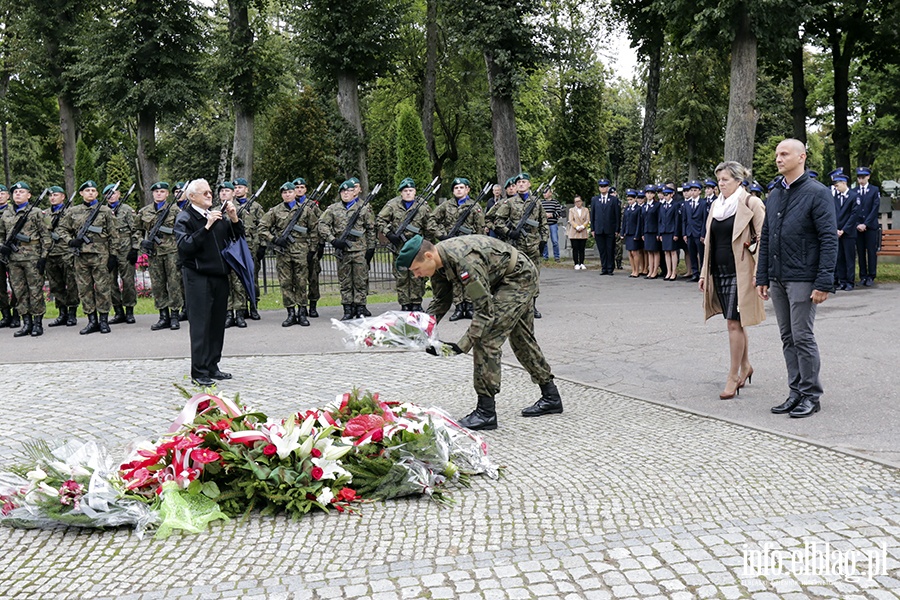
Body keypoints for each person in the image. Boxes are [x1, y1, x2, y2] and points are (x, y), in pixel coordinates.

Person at [397, 234, 562, 430]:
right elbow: (441, 300)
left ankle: (486, 413)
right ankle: (551, 396)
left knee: (486, 340)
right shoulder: (440, 263)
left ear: (428, 256)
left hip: (518, 278)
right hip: (503, 279)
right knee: (522, 339)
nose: (416, 275)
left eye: (416, 269)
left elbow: (484, 313)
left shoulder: (465, 261)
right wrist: (422, 329)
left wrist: (461, 346)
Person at [756, 139, 837, 418]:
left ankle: (811, 395)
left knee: (802, 336)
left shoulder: (818, 192)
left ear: (801, 157)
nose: (778, 159)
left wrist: (824, 281)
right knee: (787, 336)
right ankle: (795, 391)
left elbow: (829, 239)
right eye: (777, 154)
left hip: (803, 277)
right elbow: (766, 236)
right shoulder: (776, 193)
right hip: (778, 276)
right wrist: (762, 276)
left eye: (784, 154)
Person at [699, 161, 766, 399]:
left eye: (725, 179)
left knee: (733, 323)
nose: (721, 184)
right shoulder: (717, 206)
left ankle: (733, 375)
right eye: (719, 180)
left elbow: (763, 240)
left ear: (739, 180)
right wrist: (703, 273)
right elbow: (709, 242)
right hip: (719, 270)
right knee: (736, 321)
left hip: (743, 272)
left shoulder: (751, 203)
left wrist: (761, 273)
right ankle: (746, 365)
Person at [175, 179, 244, 387]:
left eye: (210, 192)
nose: (209, 195)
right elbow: (185, 247)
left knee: (216, 323)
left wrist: (233, 219)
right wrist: (206, 227)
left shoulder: (217, 216)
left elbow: (237, 238)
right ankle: (199, 370)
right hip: (198, 276)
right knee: (200, 324)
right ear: (192, 197)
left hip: (219, 275)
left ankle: (213, 365)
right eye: (204, 193)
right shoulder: (185, 217)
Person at [60, 180, 120, 335]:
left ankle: (104, 320)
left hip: (100, 255)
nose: (91, 193)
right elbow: (61, 229)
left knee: (102, 288)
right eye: (87, 190)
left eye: (93, 190)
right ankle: (92, 321)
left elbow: (114, 235)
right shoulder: (73, 211)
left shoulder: (105, 211)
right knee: (84, 289)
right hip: (81, 256)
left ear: (97, 193)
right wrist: (70, 241)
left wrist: (113, 255)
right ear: (81, 193)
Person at [260, 182, 318, 327]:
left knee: (301, 282)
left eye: (290, 192)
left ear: (294, 194)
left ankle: (302, 312)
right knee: (286, 283)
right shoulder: (275, 211)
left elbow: (315, 229)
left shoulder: (305, 210)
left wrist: (312, 249)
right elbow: (262, 227)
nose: (287, 194)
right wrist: (274, 239)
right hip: (283, 252)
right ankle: (291, 313)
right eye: (284, 193)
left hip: (301, 251)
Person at [490, 173, 548, 318]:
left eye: (524, 182)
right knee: (516, 276)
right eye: (519, 182)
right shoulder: (509, 203)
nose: (521, 184)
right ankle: (517, 307)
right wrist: (509, 233)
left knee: (534, 275)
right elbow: (498, 221)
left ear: (529, 184)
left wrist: (543, 241)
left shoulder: (536, 202)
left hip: (533, 245)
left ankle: (532, 306)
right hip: (516, 246)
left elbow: (543, 223)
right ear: (515, 186)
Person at [317, 178, 376, 320]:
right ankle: (347, 309)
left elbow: (371, 229)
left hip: (359, 250)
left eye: (348, 191)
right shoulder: (333, 209)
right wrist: (333, 240)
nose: (345, 193)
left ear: (354, 192)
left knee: (360, 281)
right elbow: (322, 225)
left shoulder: (364, 208)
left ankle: (360, 308)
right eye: (342, 191)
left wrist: (371, 248)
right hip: (342, 251)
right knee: (345, 282)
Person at [377, 177, 436, 311]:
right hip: (400, 248)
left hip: (417, 249)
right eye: (405, 190)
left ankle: (416, 303)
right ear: (401, 193)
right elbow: (380, 220)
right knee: (402, 276)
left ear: (415, 192)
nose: (408, 193)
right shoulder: (392, 205)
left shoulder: (422, 206)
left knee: (417, 276)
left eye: (411, 190)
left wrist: (427, 245)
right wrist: (389, 234)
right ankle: (405, 304)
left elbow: (430, 227)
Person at [0, 182, 51, 337]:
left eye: (22, 192)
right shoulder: (6, 213)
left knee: (35, 291)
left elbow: (46, 236)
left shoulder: (36, 213)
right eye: (15, 192)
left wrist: (43, 257)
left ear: (29, 195)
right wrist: (3, 246)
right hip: (14, 259)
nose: (18, 194)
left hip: (32, 257)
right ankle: (26, 322)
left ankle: (37, 323)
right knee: (19, 292)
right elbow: (1, 234)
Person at [433, 176, 486, 321]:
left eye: (461, 187)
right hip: (452, 247)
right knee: (455, 275)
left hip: (469, 246)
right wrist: (442, 236)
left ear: (467, 189)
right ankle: (459, 306)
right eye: (456, 188)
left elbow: (480, 228)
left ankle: (469, 305)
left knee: (469, 274)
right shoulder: (446, 206)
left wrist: (478, 246)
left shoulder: (474, 206)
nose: (458, 190)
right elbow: (432, 219)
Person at [139, 182, 182, 331]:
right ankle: (163, 316)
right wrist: (142, 242)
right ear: (152, 194)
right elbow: (135, 231)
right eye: (156, 191)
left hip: (172, 252)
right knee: (158, 285)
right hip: (154, 253)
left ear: (167, 194)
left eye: (162, 191)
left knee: (174, 284)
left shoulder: (176, 210)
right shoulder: (144, 212)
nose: (159, 194)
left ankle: (175, 316)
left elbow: (182, 232)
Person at [43, 185, 80, 327]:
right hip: (51, 253)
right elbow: (46, 230)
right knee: (55, 285)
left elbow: (75, 230)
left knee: (71, 284)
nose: (53, 198)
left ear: (63, 197)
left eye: (56, 195)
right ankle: (62, 313)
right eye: (51, 195)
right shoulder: (45, 214)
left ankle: (72, 313)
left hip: (66, 252)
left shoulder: (70, 212)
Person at [106, 184, 140, 325]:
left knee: (128, 281)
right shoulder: (102, 211)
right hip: (108, 251)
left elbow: (136, 229)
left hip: (125, 250)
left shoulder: (126, 210)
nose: (111, 196)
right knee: (110, 282)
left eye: (114, 193)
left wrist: (135, 248)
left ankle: (129, 310)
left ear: (119, 194)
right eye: (108, 194)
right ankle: (118, 311)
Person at [233, 177, 266, 319]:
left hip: (252, 246)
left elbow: (263, 227)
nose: (237, 190)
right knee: (237, 279)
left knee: (252, 278)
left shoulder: (256, 207)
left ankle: (253, 306)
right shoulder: (229, 206)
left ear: (246, 189)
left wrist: (262, 246)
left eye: (240, 187)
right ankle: (241, 308)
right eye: (235, 188)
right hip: (235, 246)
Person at [295, 178, 324, 318]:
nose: (299, 189)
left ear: (305, 189)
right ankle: (301, 306)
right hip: (295, 247)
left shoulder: (313, 206)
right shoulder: (289, 206)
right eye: (297, 187)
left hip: (311, 246)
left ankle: (313, 305)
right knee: (298, 278)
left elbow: (321, 224)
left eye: (302, 187)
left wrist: (320, 245)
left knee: (313, 277)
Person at [219, 182, 246, 329]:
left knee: (238, 283)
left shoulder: (240, 208)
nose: (224, 193)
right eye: (221, 191)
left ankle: (240, 314)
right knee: (226, 284)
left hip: (236, 250)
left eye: (227, 190)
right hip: (222, 251)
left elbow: (242, 231)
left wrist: (234, 217)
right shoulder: (213, 210)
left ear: (233, 193)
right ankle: (228, 314)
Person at [831, 172, 860, 290]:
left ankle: (850, 281)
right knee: (839, 258)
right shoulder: (836, 197)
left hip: (848, 233)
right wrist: (836, 229)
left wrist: (844, 230)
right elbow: (833, 213)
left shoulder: (854, 196)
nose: (836, 188)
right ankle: (842, 281)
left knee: (849, 258)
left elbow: (854, 215)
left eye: (838, 185)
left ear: (844, 183)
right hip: (838, 232)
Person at [854, 167, 880, 286]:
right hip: (858, 227)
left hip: (870, 226)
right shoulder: (854, 191)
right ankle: (863, 275)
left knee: (871, 251)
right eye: (859, 177)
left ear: (868, 177)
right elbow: (853, 210)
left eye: (863, 177)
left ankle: (871, 275)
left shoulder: (874, 190)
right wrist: (858, 224)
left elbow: (874, 209)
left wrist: (866, 224)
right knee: (860, 251)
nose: (861, 180)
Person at [589, 178, 620, 275]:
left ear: (607, 187)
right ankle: (604, 267)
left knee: (610, 249)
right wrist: (592, 229)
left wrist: (617, 229)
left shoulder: (614, 200)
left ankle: (610, 268)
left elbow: (617, 215)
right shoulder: (595, 200)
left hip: (610, 228)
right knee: (602, 249)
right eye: (601, 187)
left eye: (605, 186)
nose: (603, 188)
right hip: (598, 228)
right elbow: (592, 215)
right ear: (599, 188)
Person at [0, 183, 20, 328]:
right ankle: (5, 314)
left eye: (2, 193)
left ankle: (17, 314)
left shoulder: (14, 211)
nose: (0, 195)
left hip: (13, 253)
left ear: (8, 196)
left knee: (17, 285)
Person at [682, 181, 705, 282]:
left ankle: (703, 274)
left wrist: (703, 234)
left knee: (702, 254)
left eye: (695, 190)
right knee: (692, 254)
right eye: (691, 190)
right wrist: (684, 233)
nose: (693, 192)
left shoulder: (703, 203)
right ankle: (695, 273)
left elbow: (705, 220)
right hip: (689, 232)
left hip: (699, 232)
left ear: (699, 191)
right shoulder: (686, 204)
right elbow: (684, 220)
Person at [658, 186, 682, 280]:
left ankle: (674, 272)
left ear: (671, 195)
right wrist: (660, 233)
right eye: (664, 195)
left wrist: (676, 233)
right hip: (664, 231)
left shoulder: (675, 205)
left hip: (672, 231)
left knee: (673, 252)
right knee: (666, 252)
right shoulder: (662, 205)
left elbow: (677, 220)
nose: (665, 196)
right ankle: (668, 271)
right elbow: (660, 220)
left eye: (667, 194)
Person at [621, 189, 643, 277]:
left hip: (634, 233)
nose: (629, 201)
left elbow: (639, 223)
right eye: (628, 199)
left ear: (635, 199)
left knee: (635, 252)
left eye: (631, 199)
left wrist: (637, 234)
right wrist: (622, 233)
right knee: (629, 252)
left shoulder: (638, 209)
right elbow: (624, 221)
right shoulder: (627, 209)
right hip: (628, 233)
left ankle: (637, 270)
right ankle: (633, 270)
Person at [641, 185, 660, 278]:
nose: (649, 195)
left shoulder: (657, 205)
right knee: (649, 251)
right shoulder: (644, 206)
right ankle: (650, 270)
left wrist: (658, 233)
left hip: (654, 231)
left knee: (655, 251)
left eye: (651, 193)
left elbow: (659, 219)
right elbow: (643, 220)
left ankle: (655, 271)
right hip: (647, 231)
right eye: (648, 193)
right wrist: (643, 233)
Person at [540, 186, 564, 261]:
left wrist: (551, 215)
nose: (544, 194)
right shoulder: (541, 202)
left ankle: (557, 257)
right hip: (544, 224)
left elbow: (559, 213)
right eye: (543, 193)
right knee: (544, 241)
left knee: (555, 241)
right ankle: (545, 257)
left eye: (546, 192)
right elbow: (538, 212)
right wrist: (544, 215)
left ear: (550, 193)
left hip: (553, 223)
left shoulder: (555, 202)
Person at [566, 195, 590, 270]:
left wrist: (583, 226)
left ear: (581, 201)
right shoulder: (571, 210)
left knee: (582, 248)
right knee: (575, 248)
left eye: (579, 201)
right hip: (574, 231)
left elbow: (587, 219)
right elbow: (571, 220)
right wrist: (577, 227)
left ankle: (582, 263)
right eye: (576, 202)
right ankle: (576, 263)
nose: (578, 203)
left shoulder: (586, 210)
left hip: (583, 231)